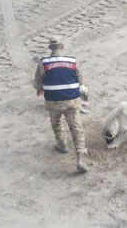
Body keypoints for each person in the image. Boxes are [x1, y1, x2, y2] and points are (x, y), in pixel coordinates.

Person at [33, 37, 89, 173]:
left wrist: (41, 87)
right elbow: (80, 80)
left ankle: (62, 144)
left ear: (50, 49)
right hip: (71, 101)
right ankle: (80, 159)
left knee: (56, 122)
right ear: (62, 47)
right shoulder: (72, 61)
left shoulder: (43, 62)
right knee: (76, 129)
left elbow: (37, 83)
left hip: (53, 101)